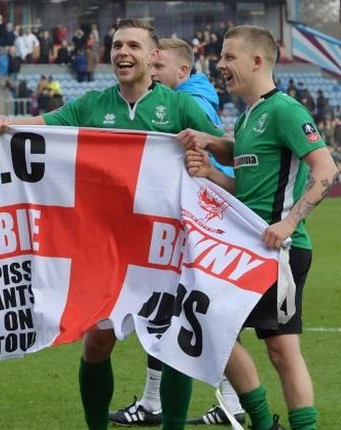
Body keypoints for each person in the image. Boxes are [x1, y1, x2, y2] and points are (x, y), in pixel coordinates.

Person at [0, 19, 227, 430]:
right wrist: (5, 125)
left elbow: (223, 147)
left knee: (171, 346)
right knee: (97, 343)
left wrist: (204, 153)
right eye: (117, 45)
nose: (122, 52)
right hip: (107, 249)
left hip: (162, 248)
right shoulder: (93, 105)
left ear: (153, 56)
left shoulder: (180, 106)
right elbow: (48, 125)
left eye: (133, 45)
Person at [180, 25, 339, 430]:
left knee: (282, 350)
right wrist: (214, 173)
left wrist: (289, 222)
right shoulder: (249, 118)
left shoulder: (285, 110)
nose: (220, 65)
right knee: (213, 328)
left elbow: (325, 169)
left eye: (229, 57)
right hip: (248, 247)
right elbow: (249, 187)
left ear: (256, 61)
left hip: (280, 252)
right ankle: (264, 423)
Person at [108, 37, 243, 427]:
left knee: (199, 314)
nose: (152, 72)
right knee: (167, 313)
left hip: (199, 220)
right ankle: (155, 402)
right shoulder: (174, 99)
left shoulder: (189, 104)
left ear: (182, 71)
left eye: (159, 66)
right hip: (179, 222)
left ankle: (231, 403)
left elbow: (224, 150)